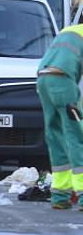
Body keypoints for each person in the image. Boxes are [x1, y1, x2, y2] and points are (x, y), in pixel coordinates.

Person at [36, 24, 83, 209]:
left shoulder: (70, 30)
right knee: (76, 135)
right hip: (63, 81)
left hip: (43, 78)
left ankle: (60, 196)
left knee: (55, 135)